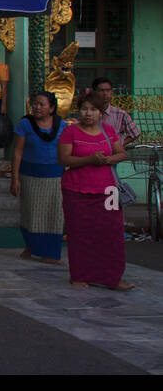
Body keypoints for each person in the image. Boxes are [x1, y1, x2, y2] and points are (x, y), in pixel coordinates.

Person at [58, 93, 133, 291]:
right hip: (77, 190)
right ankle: (80, 275)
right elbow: (64, 160)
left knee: (112, 234)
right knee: (80, 233)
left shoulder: (109, 131)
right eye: (84, 109)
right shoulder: (70, 132)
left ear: (101, 113)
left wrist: (110, 160)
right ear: (78, 110)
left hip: (108, 190)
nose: (88, 113)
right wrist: (90, 160)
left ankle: (113, 278)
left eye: (93, 110)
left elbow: (121, 153)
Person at [11, 91, 66, 264]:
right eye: (35, 103)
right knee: (32, 214)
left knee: (55, 214)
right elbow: (18, 152)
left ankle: (50, 254)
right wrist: (15, 178)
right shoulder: (25, 124)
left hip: (55, 175)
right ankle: (31, 247)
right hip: (30, 175)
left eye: (42, 104)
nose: (37, 107)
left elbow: (66, 149)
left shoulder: (61, 124)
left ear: (51, 108)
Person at [91, 77, 141, 206]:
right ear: (94, 92)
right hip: (90, 157)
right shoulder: (88, 113)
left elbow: (135, 133)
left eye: (108, 90)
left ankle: (111, 212)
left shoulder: (120, 114)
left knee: (110, 185)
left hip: (110, 158)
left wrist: (120, 145)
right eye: (101, 90)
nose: (105, 94)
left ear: (112, 92)